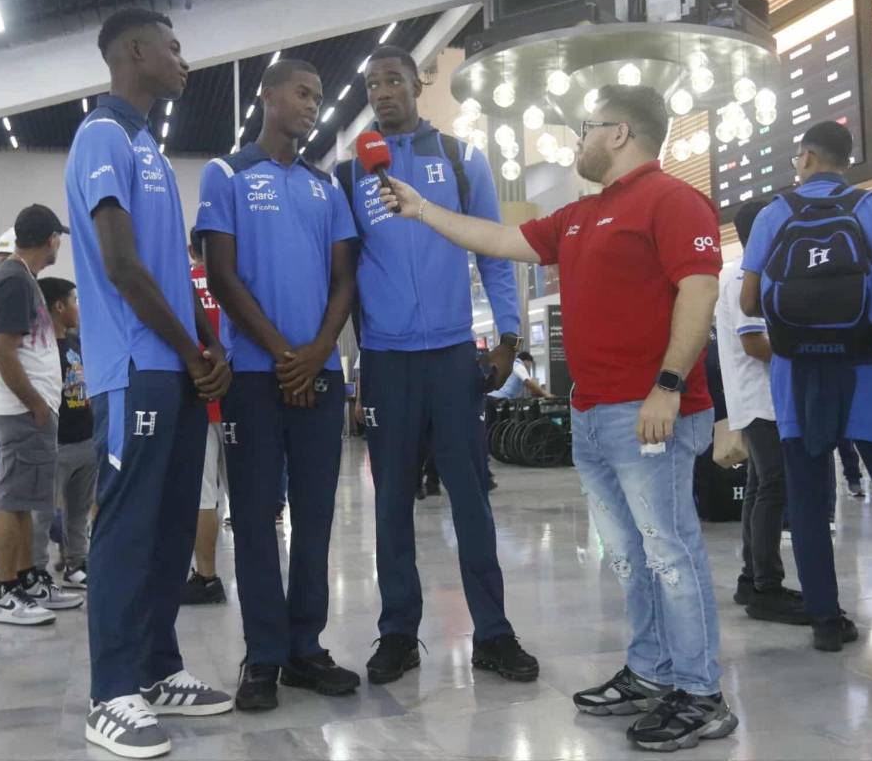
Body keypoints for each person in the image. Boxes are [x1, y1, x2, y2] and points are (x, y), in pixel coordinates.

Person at [379, 84, 736, 752]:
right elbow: (498, 237)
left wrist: (667, 385)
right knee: (629, 556)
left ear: (621, 132)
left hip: (649, 413)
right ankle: (652, 671)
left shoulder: (672, 199)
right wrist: (423, 209)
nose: (578, 139)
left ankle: (700, 692)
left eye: (587, 126)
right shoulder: (579, 215)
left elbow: (699, 287)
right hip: (594, 416)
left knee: (670, 552)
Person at [337, 45, 538, 687]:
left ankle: (494, 632)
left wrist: (508, 336)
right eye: (372, 84)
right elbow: (344, 273)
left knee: (471, 497)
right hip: (387, 360)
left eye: (393, 80)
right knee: (391, 501)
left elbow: (494, 252)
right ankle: (399, 633)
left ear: (417, 85)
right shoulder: (350, 174)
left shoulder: (458, 158)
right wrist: (350, 364)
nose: (382, 92)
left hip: (453, 355)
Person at [65, 7, 233, 759]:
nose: (184, 61)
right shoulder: (102, 135)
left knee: (170, 525)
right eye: (173, 47)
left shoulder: (151, 151)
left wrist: (206, 344)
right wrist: (189, 351)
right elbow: (122, 266)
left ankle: (158, 668)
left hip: (176, 367)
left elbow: (168, 268)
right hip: (135, 368)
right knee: (128, 527)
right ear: (135, 52)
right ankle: (110, 694)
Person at [197, 57, 360, 711]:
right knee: (256, 519)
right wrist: (283, 353)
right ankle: (262, 655)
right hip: (253, 381)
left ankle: (305, 649)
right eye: (302, 92)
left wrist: (317, 354)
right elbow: (221, 274)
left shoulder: (327, 187)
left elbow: (344, 279)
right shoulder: (227, 173)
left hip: (319, 378)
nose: (312, 104)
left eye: (318, 95)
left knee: (316, 519)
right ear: (267, 95)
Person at [739, 120, 872, 653]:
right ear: (846, 160)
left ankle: (825, 620)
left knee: (807, 500)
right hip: (866, 371)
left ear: (806, 157)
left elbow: (749, 302)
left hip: (796, 376)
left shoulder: (774, 214)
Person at [0, 205, 84, 624]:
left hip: (30, 411)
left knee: (25, 501)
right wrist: (37, 403)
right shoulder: (13, 281)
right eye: (59, 238)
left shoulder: (22, 279)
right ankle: (7, 591)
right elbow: (3, 353)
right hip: (23, 412)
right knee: (13, 500)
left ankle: (26, 579)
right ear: (52, 240)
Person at [715, 201, 807, 625]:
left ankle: (751, 577)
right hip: (760, 398)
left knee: (759, 485)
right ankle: (767, 585)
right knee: (774, 484)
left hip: (760, 398)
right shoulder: (741, 276)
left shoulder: (745, 274)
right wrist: (805, 353)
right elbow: (753, 343)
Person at [36, 277, 97, 589]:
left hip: (85, 439)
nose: (78, 308)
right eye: (74, 301)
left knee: (79, 511)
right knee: (43, 513)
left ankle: (77, 564)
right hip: (57, 443)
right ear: (59, 307)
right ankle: (35, 571)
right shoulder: (41, 349)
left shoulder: (75, 343)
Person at [182, 239, 230, 605]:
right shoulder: (236, 282)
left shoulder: (184, 285)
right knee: (248, 494)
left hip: (199, 398)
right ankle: (258, 571)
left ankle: (207, 576)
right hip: (239, 398)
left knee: (203, 496)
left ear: (191, 250)